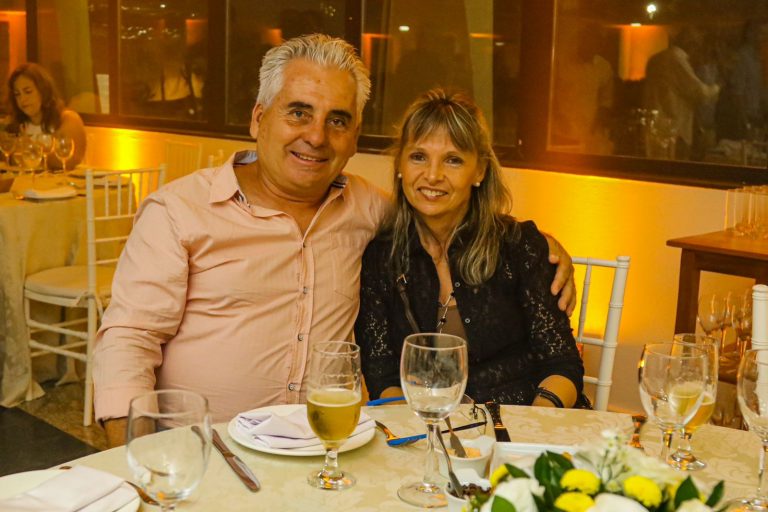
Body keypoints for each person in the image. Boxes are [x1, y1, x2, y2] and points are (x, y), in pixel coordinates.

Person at [93, 34, 577, 446]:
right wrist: (140, 459)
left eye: (338, 120)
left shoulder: (369, 211)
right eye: (298, 113)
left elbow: (441, 211)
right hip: (206, 448)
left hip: (325, 448)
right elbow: (129, 339)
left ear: (355, 136)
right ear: (259, 118)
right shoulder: (179, 212)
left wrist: (539, 244)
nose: (317, 137)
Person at [355, 88, 584, 408]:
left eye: (453, 160)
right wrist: (419, 430)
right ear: (400, 165)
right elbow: (383, 377)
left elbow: (562, 365)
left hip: (524, 417)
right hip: (429, 425)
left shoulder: (520, 247)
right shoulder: (381, 257)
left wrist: (530, 427)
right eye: (418, 156)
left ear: (480, 170)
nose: (432, 175)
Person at [643, 27, 720, 160]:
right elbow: (700, 92)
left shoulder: (655, 59)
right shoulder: (677, 59)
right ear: (692, 45)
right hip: (675, 130)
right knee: (675, 168)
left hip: (654, 127)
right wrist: (718, 87)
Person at [5, 62, 86, 169]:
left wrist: (28, 151)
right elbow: (9, 157)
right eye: (17, 94)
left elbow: (66, 160)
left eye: (28, 92)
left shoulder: (68, 119)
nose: (22, 99)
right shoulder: (15, 125)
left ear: (43, 91)